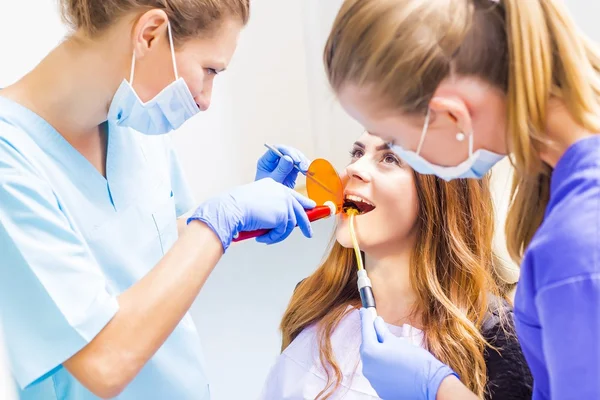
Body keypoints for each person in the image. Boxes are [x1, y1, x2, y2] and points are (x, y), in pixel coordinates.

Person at [0, 1, 316, 399]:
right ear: (149, 34)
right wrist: (219, 219)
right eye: (209, 71)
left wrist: (241, 214)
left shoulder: (134, 123)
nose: (205, 99)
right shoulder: (9, 160)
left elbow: (161, 245)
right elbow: (102, 362)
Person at [322, 0, 600, 398]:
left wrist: (439, 390)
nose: (356, 170)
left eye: (394, 146)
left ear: (452, 118)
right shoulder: (567, 200)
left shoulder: (579, 242)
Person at [259, 132, 533, 400]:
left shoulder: (498, 338)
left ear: (439, 194)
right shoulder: (312, 301)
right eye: (357, 153)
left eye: (390, 158)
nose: (354, 168)